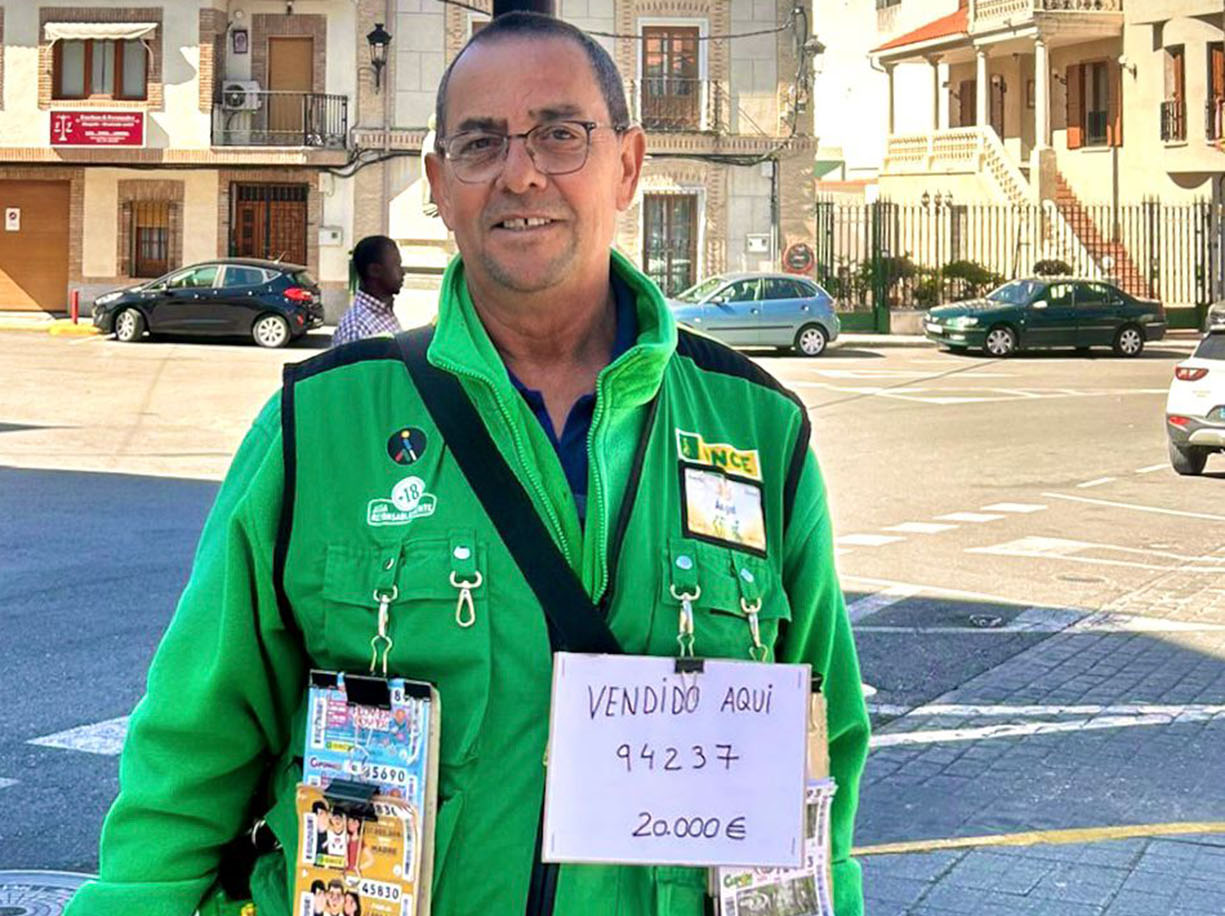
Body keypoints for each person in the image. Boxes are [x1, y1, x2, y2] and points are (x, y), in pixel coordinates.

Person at [63, 12, 867, 916]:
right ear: (439, 186)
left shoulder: (760, 429)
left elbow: (819, 759)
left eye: (561, 135)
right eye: (480, 143)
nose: (520, 172)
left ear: (628, 165)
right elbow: (192, 747)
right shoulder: (316, 424)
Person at [331, 235, 405, 346]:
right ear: (374, 270)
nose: (403, 272)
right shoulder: (357, 328)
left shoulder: (383, 314)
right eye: (396, 265)